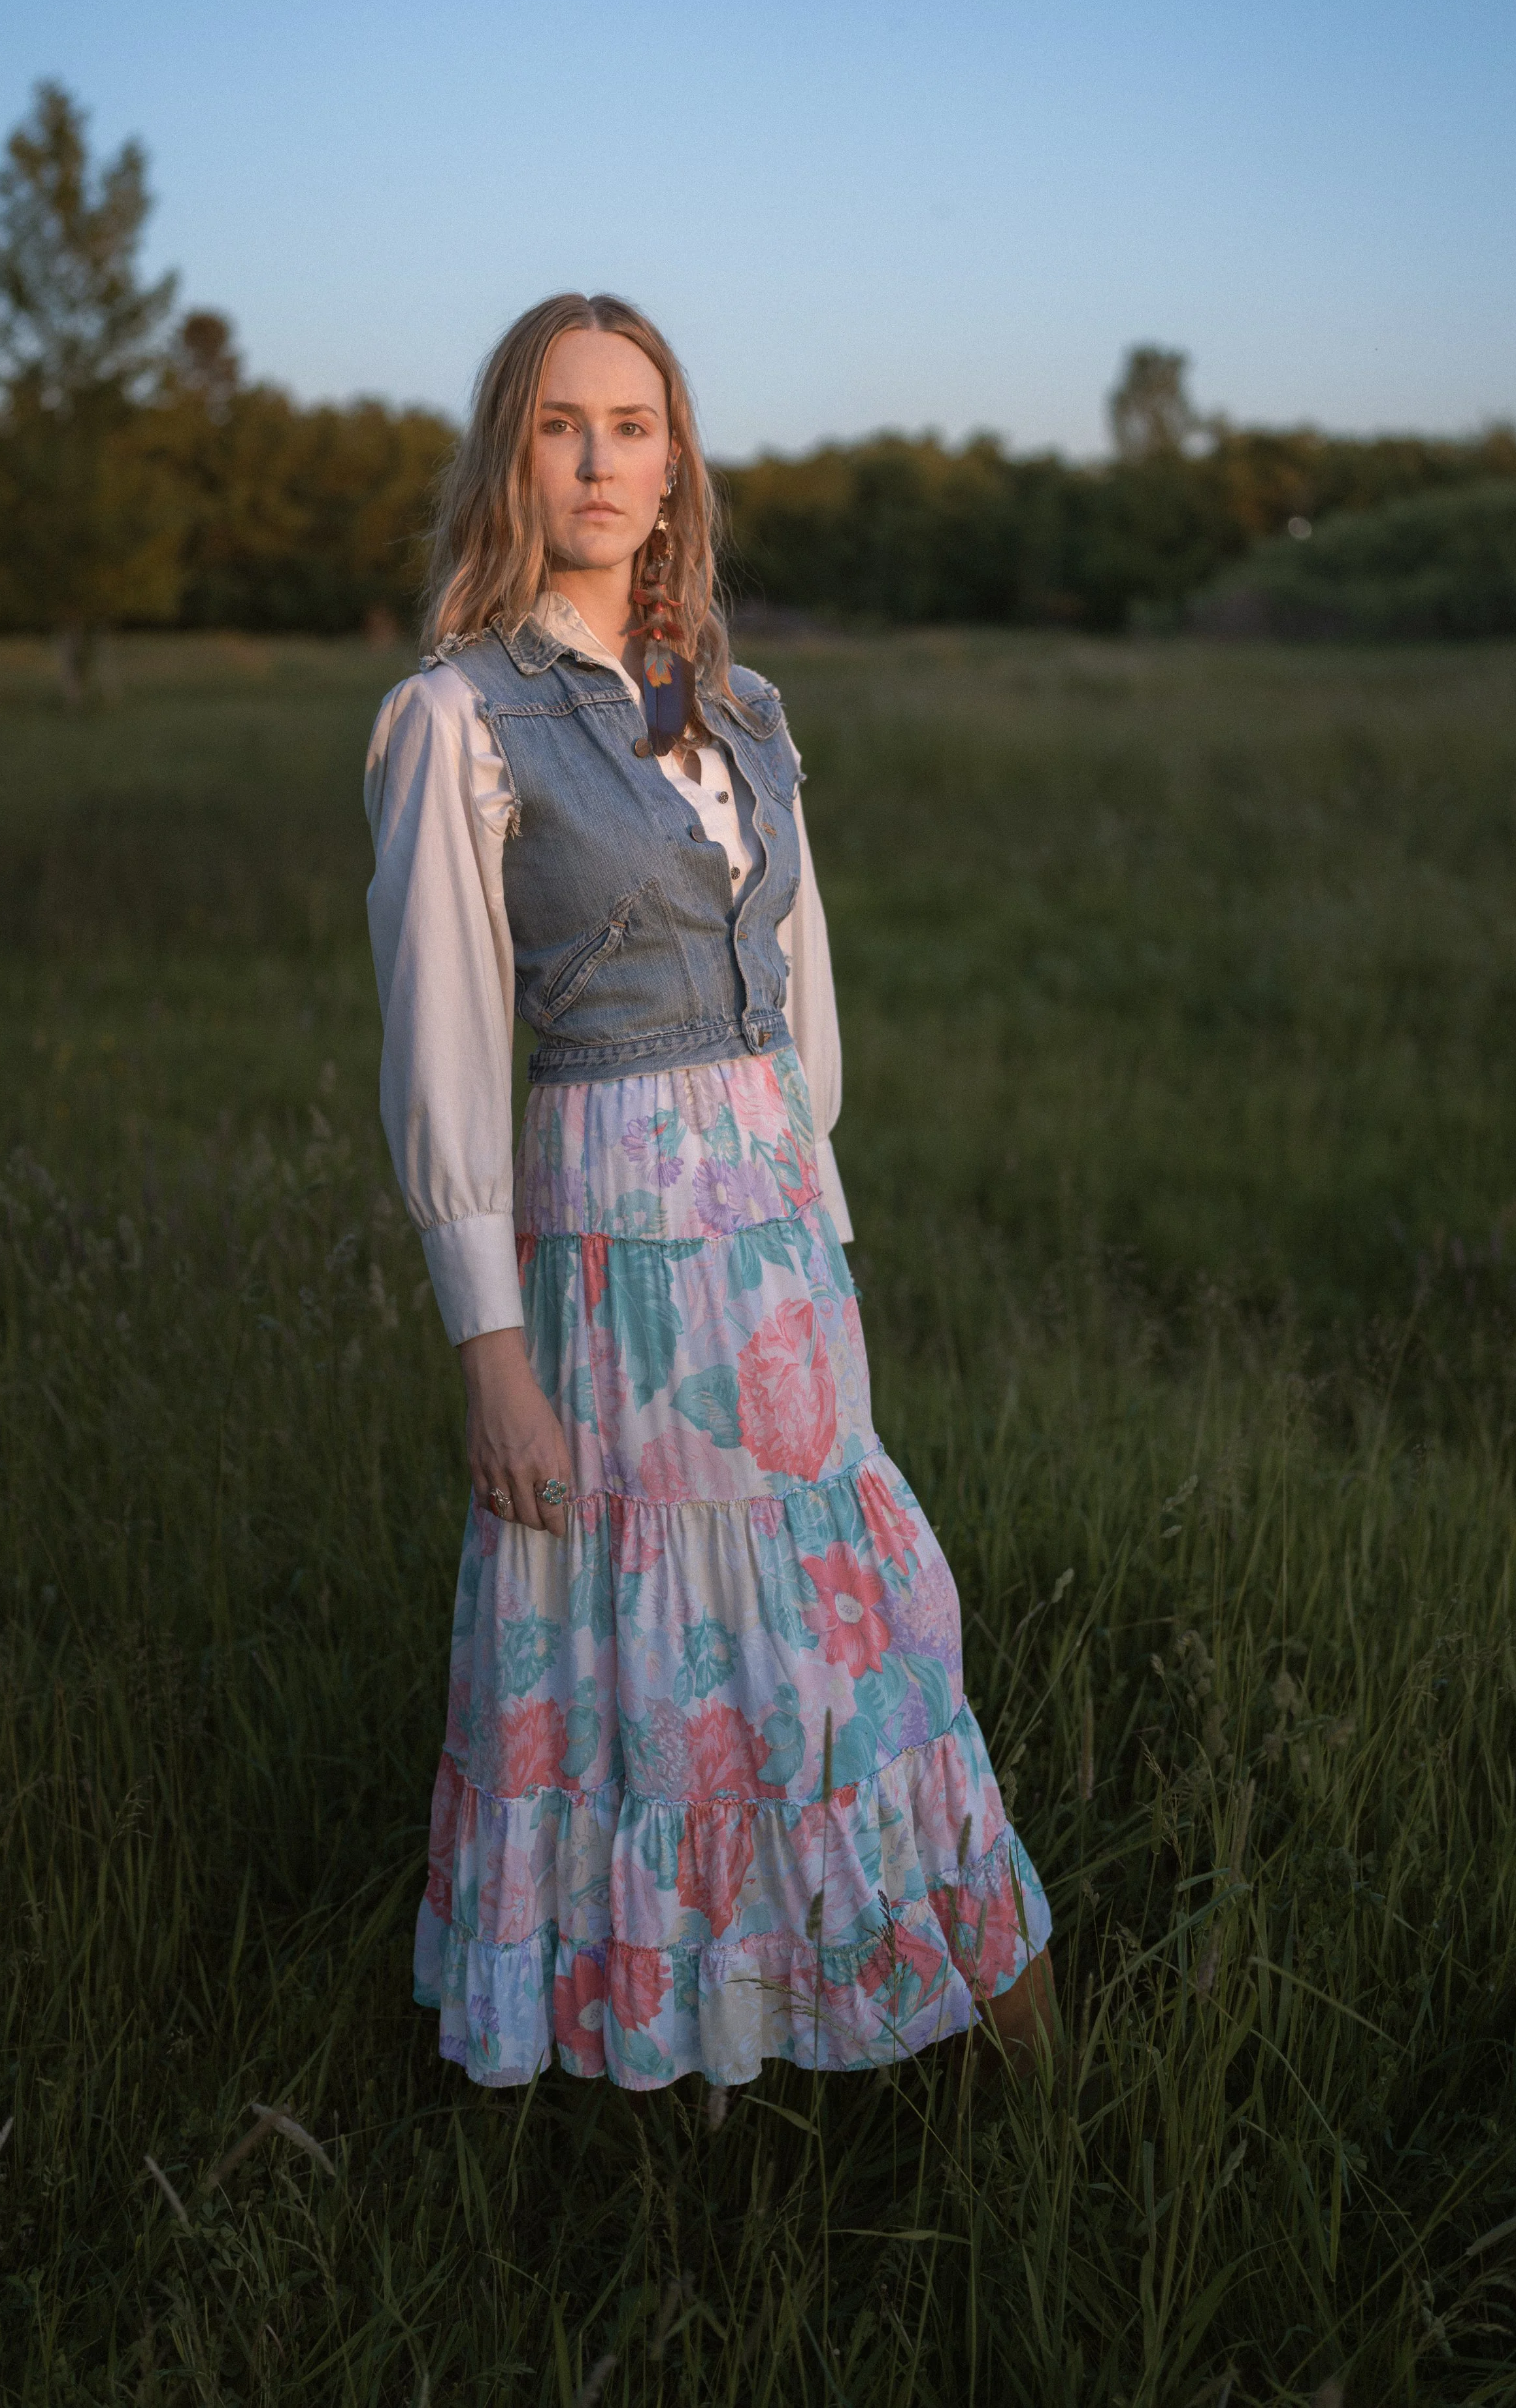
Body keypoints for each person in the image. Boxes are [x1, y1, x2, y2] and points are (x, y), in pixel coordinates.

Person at [364, 293, 1053, 2094]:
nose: (600, 461)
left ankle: (967, 2033)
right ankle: (702, 2065)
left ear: (678, 467)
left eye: (634, 425)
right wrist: (488, 1349)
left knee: (867, 1631)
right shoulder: (458, 716)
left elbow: (803, 1009)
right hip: (610, 1247)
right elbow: (442, 1051)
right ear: (512, 455)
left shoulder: (746, 707)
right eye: (559, 425)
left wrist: (801, 1207)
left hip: (778, 1246)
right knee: (660, 1674)